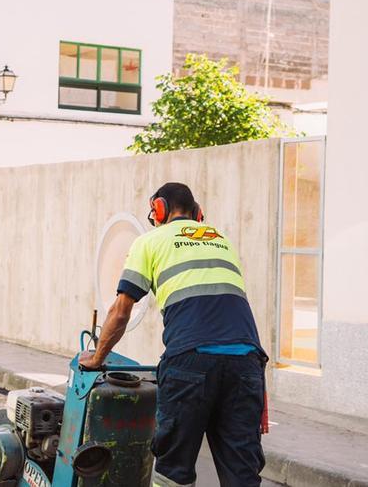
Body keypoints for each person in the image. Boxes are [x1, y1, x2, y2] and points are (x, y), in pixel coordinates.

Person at [78, 182, 267, 487]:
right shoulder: (222, 240)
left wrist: (97, 357)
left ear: (160, 209)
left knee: (173, 471)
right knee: (242, 472)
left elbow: (121, 310)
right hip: (247, 363)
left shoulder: (149, 242)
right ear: (198, 212)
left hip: (191, 363)